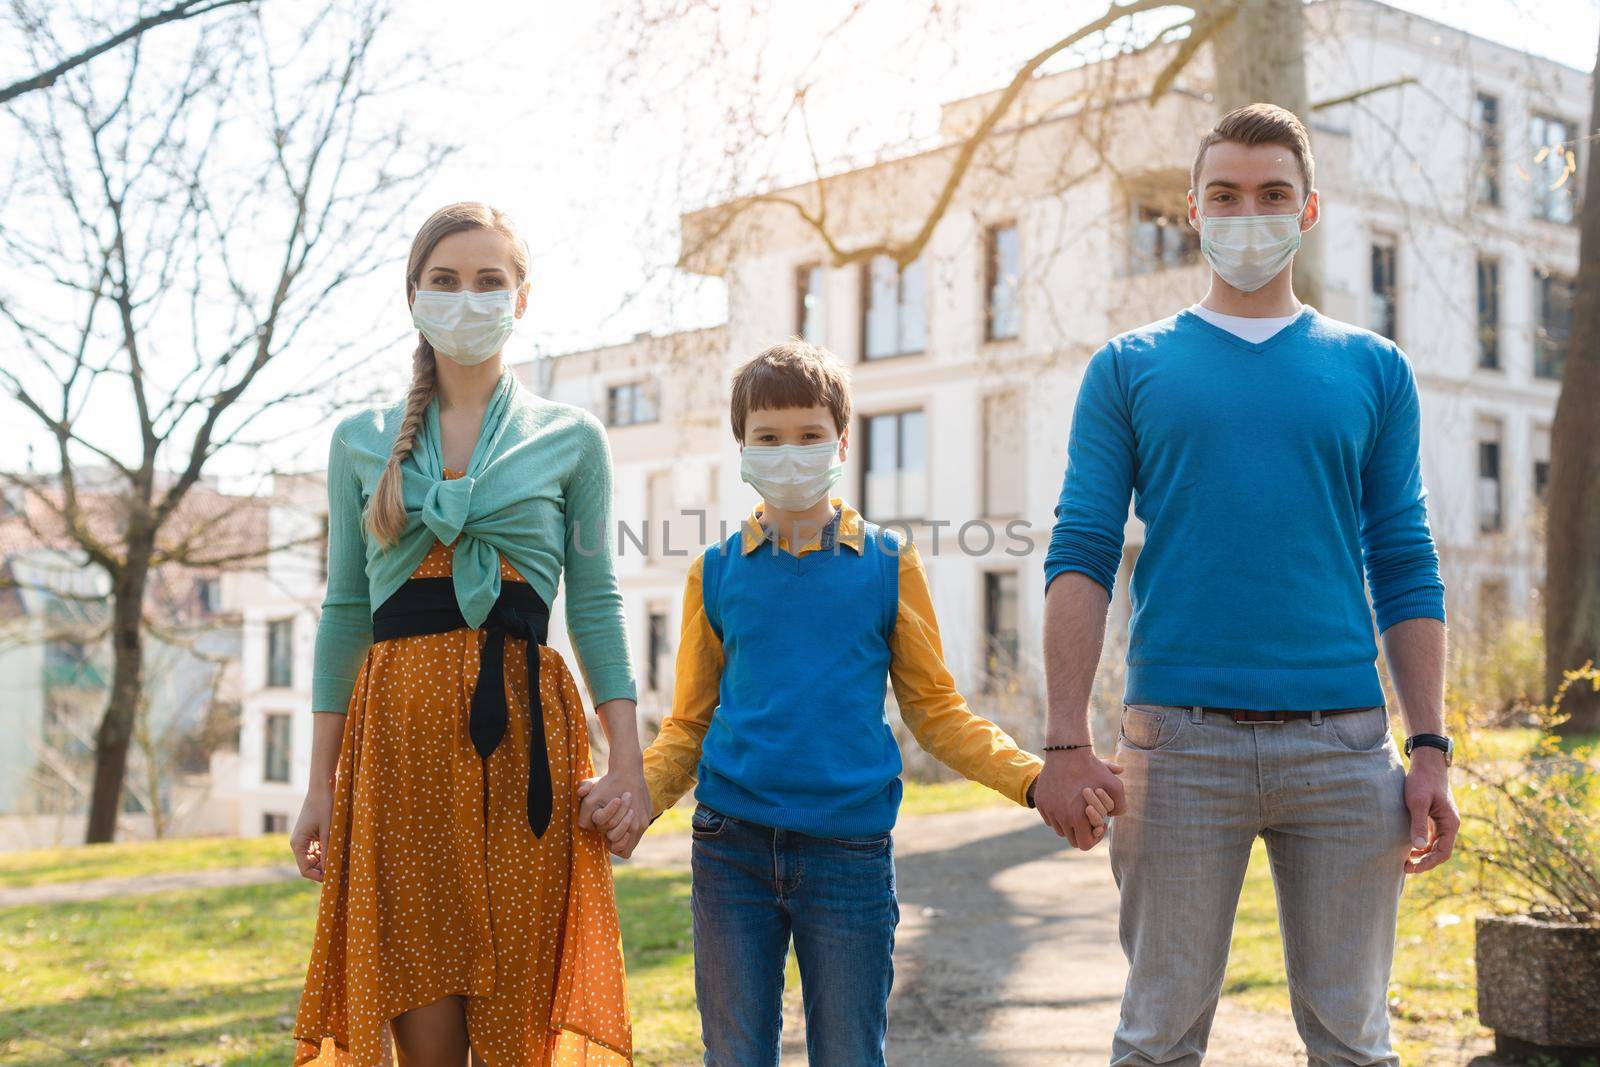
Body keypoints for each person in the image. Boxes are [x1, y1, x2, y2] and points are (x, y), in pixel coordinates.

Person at [1032, 104, 1460, 1067]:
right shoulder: (1128, 367)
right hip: (1176, 748)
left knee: (1355, 1042)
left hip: (1347, 750)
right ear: (1192, 209)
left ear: (1308, 209)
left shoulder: (1374, 368)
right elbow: (1082, 550)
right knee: (1156, 1040)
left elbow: (1403, 556)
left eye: (1272, 194)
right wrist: (1065, 740)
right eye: (1224, 194)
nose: (1248, 212)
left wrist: (1428, 745)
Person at [583, 339, 1114, 1066]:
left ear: (840, 440)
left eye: (808, 435)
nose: (789, 452)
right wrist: (637, 796)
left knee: (850, 1053)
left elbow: (937, 712)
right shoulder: (714, 572)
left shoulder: (890, 564)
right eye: (768, 437)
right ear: (742, 446)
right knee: (734, 1054)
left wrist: (1032, 776)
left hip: (849, 856)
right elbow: (689, 725)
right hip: (730, 849)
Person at [289, 201, 645, 1067]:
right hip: (399, 736)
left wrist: (628, 759)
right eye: (444, 280)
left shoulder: (572, 439)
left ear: (522, 298)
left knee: (522, 1019)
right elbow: (344, 613)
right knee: (424, 1012)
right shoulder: (358, 441)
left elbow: (594, 602)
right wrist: (320, 783)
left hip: (527, 731)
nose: (467, 297)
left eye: (490, 280)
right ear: (413, 294)